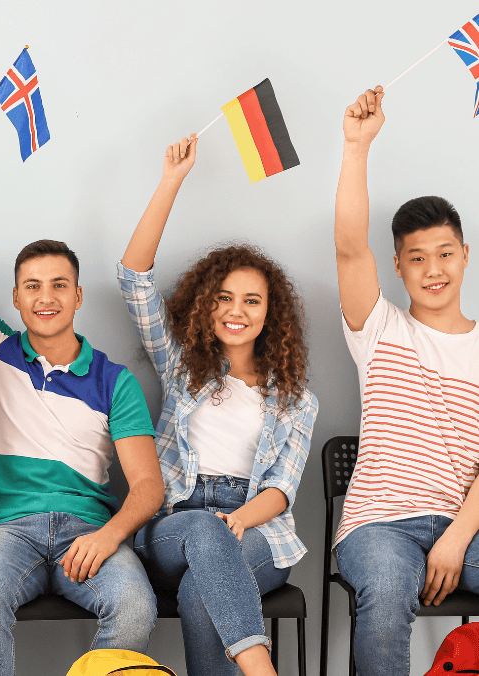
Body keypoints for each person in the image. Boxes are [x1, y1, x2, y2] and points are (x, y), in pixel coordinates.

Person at [0, 127, 164, 675]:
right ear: (16, 298)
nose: (45, 297)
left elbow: (148, 485)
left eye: (59, 285)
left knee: (134, 607)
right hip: (5, 531)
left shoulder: (114, 380)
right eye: (32, 286)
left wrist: (108, 536)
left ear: (78, 295)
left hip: (88, 531)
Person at [117, 135, 317, 676]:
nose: (236, 311)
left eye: (251, 300)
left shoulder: (296, 399)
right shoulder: (182, 365)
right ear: (206, 306)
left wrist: (237, 521)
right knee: (204, 533)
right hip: (176, 522)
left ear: (269, 312)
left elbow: (280, 490)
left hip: (257, 526)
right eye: (224, 298)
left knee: (200, 590)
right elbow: (134, 279)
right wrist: (170, 182)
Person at [332, 87, 479, 676]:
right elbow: (348, 248)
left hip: (462, 522)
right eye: (417, 257)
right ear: (398, 266)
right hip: (378, 522)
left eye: (444, 254)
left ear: (465, 256)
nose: (433, 269)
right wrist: (356, 147)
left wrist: (457, 536)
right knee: (389, 595)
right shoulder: (380, 328)